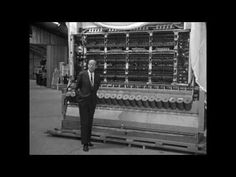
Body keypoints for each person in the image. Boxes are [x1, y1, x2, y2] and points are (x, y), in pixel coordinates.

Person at [75, 59, 100, 152]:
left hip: (92, 102)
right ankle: (85, 143)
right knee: (84, 122)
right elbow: (76, 88)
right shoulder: (82, 74)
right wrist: (80, 98)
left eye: (93, 65)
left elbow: (96, 88)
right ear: (87, 65)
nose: (91, 66)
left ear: (96, 66)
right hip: (83, 102)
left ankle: (88, 140)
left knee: (90, 122)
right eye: (90, 64)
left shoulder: (97, 76)